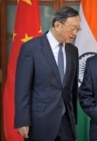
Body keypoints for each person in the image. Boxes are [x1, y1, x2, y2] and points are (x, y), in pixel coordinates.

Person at [14, 6, 80, 141]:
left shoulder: (73, 51)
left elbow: (72, 88)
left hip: (66, 123)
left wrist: (74, 119)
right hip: (40, 123)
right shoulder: (31, 49)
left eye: (77, 29)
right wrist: (22, 120)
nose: (75, 33)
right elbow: (22, 89)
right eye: (72, 28)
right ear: (57, 25)